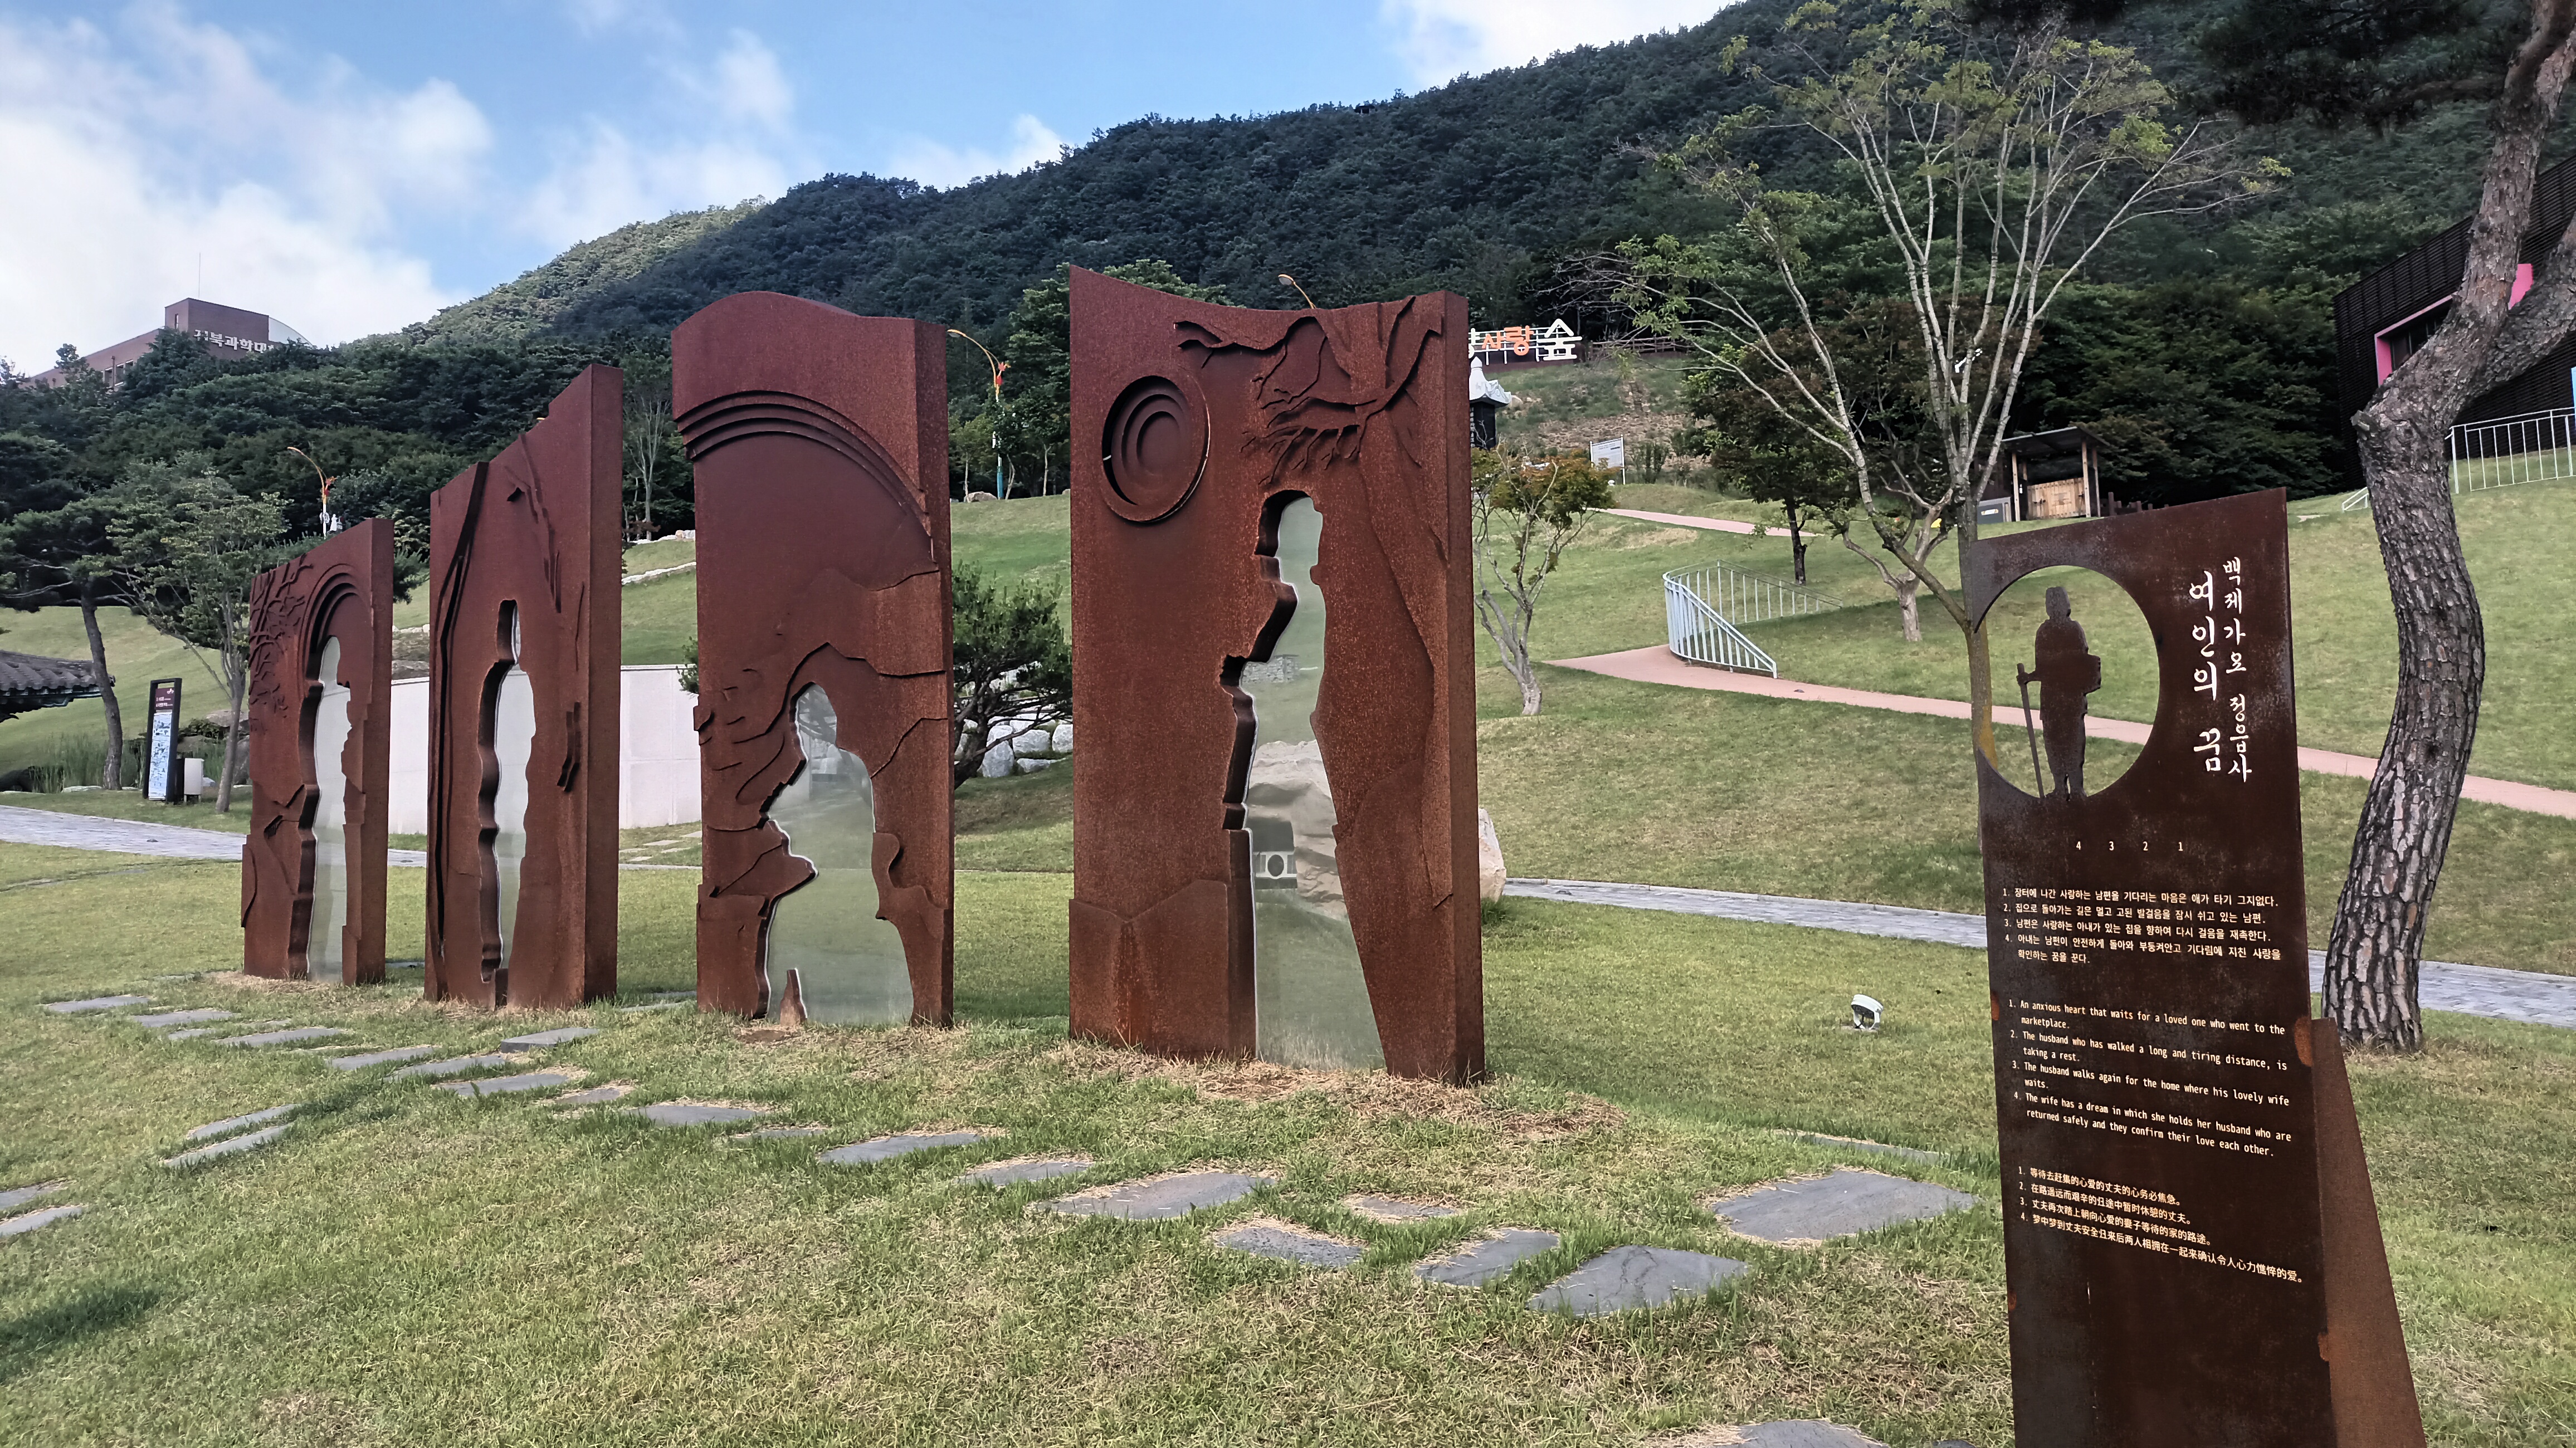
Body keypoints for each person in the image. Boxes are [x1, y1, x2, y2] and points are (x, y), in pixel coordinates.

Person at [2017, 585, 2101, 800]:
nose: (2053, 607)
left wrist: (2052, 667)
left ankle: (2077, 789)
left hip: (2070, 698)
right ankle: (2060, 788)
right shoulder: (2044, 632)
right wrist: (2029, 677)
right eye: (2050, 603)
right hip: (2052, 700)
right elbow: (2043, 667)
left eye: (2056, 603)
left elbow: (2077, 661)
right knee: (2054, 744)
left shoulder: (2074, 630)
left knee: (2073, 743)